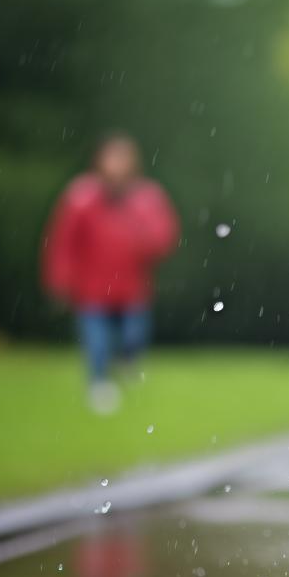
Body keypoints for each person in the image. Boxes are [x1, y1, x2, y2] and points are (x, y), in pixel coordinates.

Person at [41, 132, 180, 413]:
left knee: (133, 338)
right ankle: (99, 386)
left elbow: (164, 239)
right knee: (97, 343)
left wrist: (140, 235)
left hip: (132, 290)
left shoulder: (147, 198)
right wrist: (59, 280)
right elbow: (63, 243)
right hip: (91, 290)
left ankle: (125, 364)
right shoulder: (80, 198)